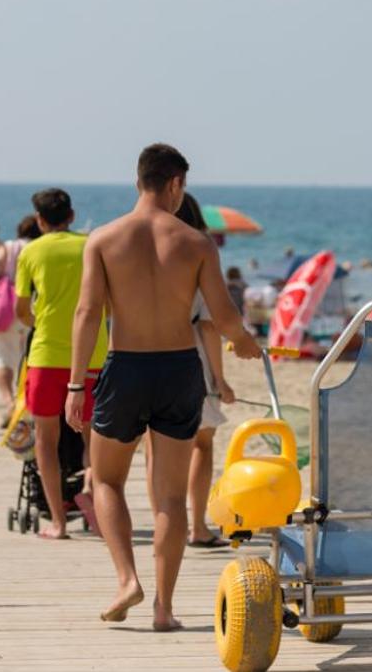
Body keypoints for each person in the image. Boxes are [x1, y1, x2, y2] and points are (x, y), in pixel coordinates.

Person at [67, 144, 259, 631]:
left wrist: (74, 385)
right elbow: (223, 316)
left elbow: (87, 314)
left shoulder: (104, 239)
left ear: (139, 182)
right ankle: (164, 609)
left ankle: (127, 579)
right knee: (170, 498)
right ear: (175, 184)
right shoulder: (196, 243)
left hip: (126, 367)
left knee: (107, 480)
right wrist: (243, 343)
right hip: (178, 370)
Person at [14, 189, 109, 540]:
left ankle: (57, 521)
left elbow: (21, 309)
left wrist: (39, 320)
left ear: (39, 221)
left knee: (46, 441)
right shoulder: (90, 245)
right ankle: (94, 498)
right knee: (93, 438)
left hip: (47, 356)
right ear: (71, 216)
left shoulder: (31, 251)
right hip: (93, 355)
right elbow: (108, 302)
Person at [144, 194, 237, 550]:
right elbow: (211, 325)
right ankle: (197, 526)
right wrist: (221, 378)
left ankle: (163, 525)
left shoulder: (145, 249)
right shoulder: (200, 251)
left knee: (155, 446)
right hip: (191, 357)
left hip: (146, 352)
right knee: (201, 442)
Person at [0, 214, 41, 424]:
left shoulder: (9, 247)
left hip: (7, 307)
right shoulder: (41, 247)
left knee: (0, 355)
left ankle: (9, 402)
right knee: (28, 357)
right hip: (34, 306)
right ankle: (25, 401)